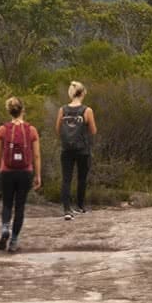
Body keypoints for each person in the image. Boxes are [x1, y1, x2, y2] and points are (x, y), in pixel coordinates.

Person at [0, 96, 41, 254]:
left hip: (7, 171)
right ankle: (13, 242)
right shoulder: (31, 130)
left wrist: (0, 168)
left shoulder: (2, 129)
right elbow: (36, 156)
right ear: (23, 110)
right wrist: (38, 175)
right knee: (20, 207)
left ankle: (5, 228)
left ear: (9, 111)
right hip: (25, 172)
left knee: (7, 203)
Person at [55, 81, 97, 221]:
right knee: (81, 178)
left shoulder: (63, 110)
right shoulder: (87, 110)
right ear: (83, 93)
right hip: (82, 149)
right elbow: (93, 130)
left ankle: (67, 209)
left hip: (66, 149)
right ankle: (80, 206)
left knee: (66, 179)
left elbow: (58, 129)